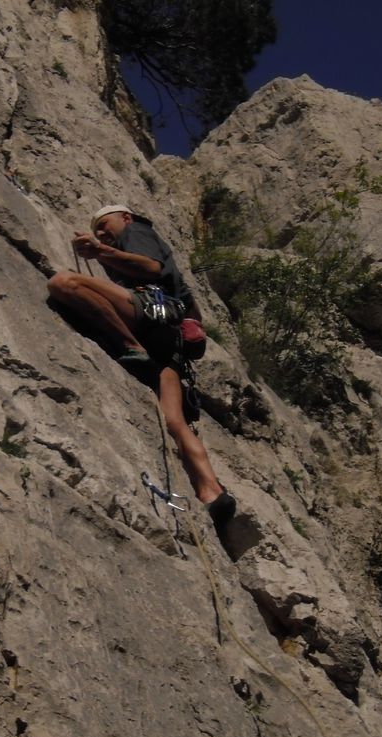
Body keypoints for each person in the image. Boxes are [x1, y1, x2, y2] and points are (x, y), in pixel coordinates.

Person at [47, 205, 237, 527]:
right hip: (169, 340)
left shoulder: (137, 231)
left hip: (149, 314)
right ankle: (212, 491)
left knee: (64, 282)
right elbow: (190, 306)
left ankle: (131, 347)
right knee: (173, 421)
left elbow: (150, 268)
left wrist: (100, 251)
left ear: (126, 217)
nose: (103, 233)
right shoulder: (148, 252)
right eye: (98, 231)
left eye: (104, 225)